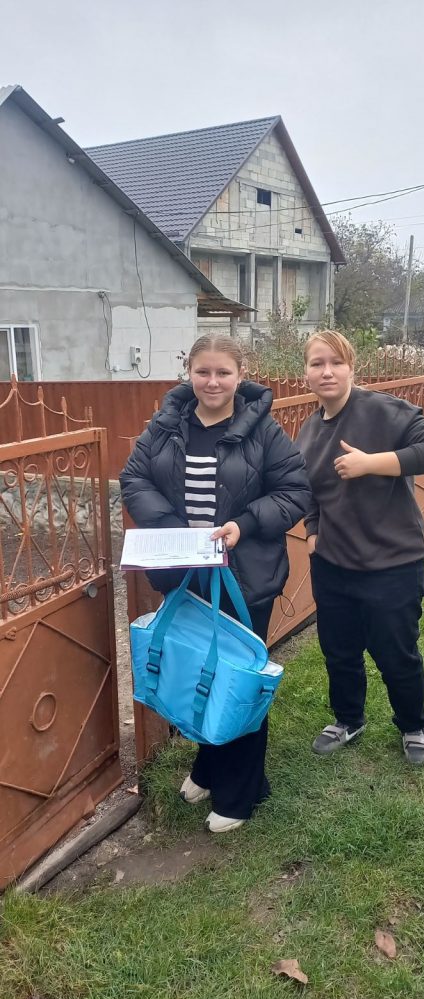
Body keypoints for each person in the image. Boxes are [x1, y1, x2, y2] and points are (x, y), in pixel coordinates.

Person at [120, 334, 311, 832]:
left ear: (240, 374)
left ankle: (242, 791)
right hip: (185, 574)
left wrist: (243, 525)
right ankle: (208, 768)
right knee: (197, 670)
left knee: (237, 679)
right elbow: (134, 478)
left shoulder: (263, 430)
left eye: (223, 372)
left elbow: (295, 491)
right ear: (189, 372)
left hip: (244, 577)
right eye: (202, 371)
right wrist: (169, 526)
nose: (212, 382)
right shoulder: (166, 425)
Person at [297, 330, 424, 766]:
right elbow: (309, 492)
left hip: (392, 563)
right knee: (339, 650)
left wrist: (371, 464)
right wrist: (312, 532)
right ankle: (349, 718)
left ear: (351, 367)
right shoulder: (308, 430)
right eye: (317, 363)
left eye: (336, 363)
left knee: (395, 652)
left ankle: (413, 724)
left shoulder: (382, 411)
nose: (327, 371)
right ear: (304, 373)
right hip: (334, 564)